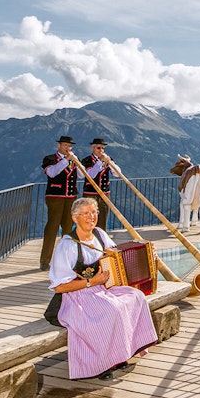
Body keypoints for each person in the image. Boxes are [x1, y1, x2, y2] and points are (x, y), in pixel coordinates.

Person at [48, 197, 158, 380]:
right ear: (74, 218)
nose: (91, 217)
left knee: (136, 297)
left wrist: (147, 254)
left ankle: (121, 354)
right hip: (77, 295)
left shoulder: (99, 235)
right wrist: (92, 282)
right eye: (85, 213)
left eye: (94, 212)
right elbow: (59, 287)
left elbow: (117, 257)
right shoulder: (67, 246)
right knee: (110, 310)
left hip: (102, 288)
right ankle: (102, 363)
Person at [40, 135, 79, 270]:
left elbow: (80, 175)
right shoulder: (50, 159)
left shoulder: (73, 160)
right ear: (59, 146)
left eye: (69, 146)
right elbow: (51, 173)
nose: (68, 148)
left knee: (68, 229)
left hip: (70, 198)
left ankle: (65, 259)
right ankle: (45, 260)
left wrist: (76, 163)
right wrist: (66, 160)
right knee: (52, 228)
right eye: (65, 146)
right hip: (55, 197)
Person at [80, 138, 114, 229]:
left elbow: (116, 173)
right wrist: (100, 162)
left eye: (103, 148)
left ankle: (101, 240)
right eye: (99, 148)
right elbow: (90, 175)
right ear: (93, 148)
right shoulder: (86, 160)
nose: (101, 151)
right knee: (89, 219)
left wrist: (110, 162)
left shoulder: (108, 160)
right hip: (90, 194)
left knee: (103, 220)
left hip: (105, 194)